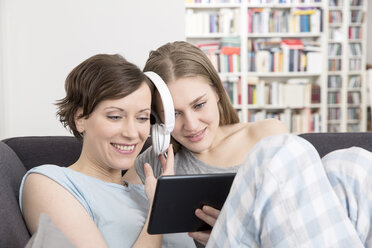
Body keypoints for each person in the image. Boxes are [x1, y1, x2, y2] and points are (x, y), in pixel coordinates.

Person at [129, 41, 372, 247]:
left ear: (216, 91)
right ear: (159, 119)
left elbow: (310, 217)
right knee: (276, 151)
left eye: (199, 105)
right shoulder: (154, 163)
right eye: (175, 114)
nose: (192, 125)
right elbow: (109, 205)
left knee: (351, 164)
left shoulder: (265, 133)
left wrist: (238, 220)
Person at [19, 54, 197, 248]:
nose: (131, 133)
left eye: (143, 118)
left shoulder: (147, 190)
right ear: (80, 119)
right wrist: (160, 209)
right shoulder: (49, 182)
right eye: (114, 116)